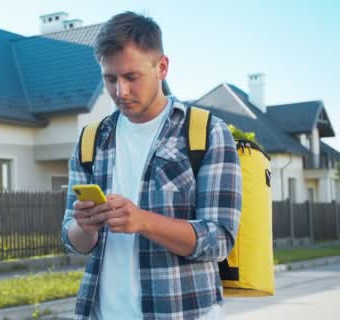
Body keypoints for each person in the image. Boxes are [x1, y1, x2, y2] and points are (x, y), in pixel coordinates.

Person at [61, 11, 242, 320]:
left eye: (131, 77)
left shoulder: (205, 132)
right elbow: (71, 239)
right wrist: (85, 228)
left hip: (183, 313)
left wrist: (142, 220)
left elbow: (220, 240)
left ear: (162, 67)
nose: (121, 91)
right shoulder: (91, 139)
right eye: (110, 79)